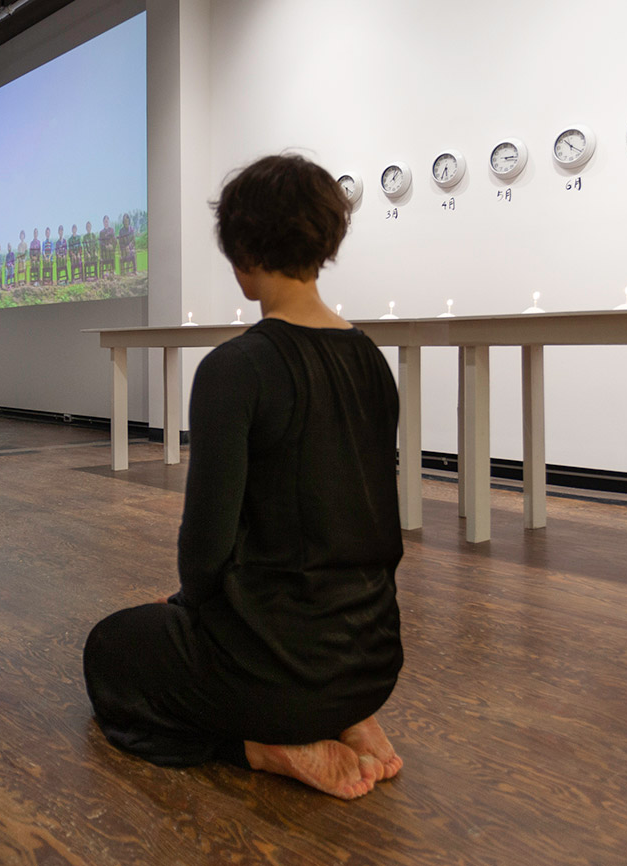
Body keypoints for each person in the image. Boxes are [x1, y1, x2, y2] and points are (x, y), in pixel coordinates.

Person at [82, 154, 404, 801]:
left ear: (240, 253)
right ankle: (341, 714)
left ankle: (261, 746)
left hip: (273, 673)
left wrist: (183, 609)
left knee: (110, 649)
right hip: (372, 662)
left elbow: (204, 547)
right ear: (326, 243)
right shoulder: (371, 360)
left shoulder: (236, 368)